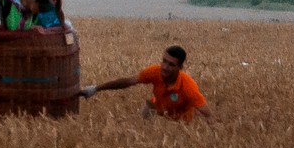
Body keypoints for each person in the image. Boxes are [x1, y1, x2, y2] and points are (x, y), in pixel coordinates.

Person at [80, 45, 213, 122]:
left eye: (171, 64)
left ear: (180, 67)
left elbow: (207, 113)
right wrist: (96, 88)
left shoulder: (188, 86)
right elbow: (128, 81)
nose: (165, 67)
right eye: (164, 61)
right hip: (157, 110)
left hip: (179, 123)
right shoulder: (155, 72)